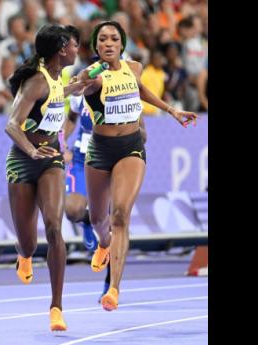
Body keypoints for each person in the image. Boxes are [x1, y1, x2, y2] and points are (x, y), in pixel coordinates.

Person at [76, 21, 197, 311]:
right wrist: (78, 80)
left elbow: (140, 89)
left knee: (120, 215)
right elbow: (79, 85)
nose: (107, 43)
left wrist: (171, 110)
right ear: (95, 46)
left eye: (113, 38)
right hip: (99, 150)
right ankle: (103, 245)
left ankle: (114, 289)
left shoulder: (135, 68)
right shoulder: (92, 76)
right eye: (102, 39)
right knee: (97, 220)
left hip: (130, 147)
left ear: (121, 43)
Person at [5, 24, 93, 332]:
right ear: (60, 50)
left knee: (55, 227)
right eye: (73, 45)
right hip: (23, 160)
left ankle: (56, 307)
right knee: (28, 242)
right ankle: (24, 255)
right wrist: (30, 150)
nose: (76, 49)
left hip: (52, 158)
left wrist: (77, 87)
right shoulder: (35, 82)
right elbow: (12, 125)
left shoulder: (57, 78)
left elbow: (56, 95)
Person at [63, 94, 147, 302]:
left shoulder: (126, 94)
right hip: (84, 158)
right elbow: (71, 117)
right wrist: (62, 144)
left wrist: (123, 134)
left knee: (115, 222)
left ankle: (110, 286)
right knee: (72, 210)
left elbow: (143, 134)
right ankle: (89, 222)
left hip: (115, 159)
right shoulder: (81, 92)